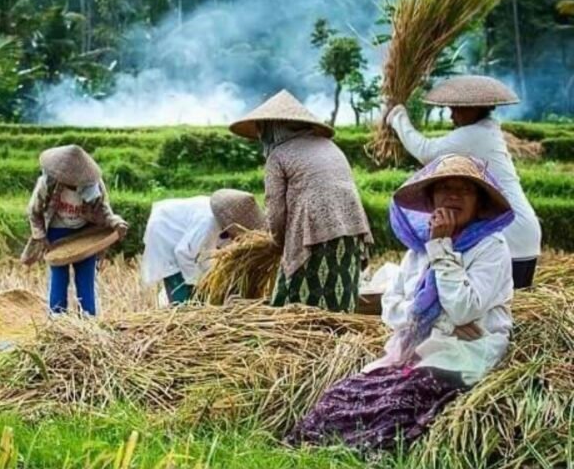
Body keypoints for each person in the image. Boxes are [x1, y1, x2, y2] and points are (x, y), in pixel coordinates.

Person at [289, 154, 515, 451]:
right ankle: (319, 451)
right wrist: (438, 322)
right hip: (410, 351)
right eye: (445, 188)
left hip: (464, 354)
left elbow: (464, 309)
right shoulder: (418, 250)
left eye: (466, 190)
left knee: (397, 405)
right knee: (340, 397)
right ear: (432, 198)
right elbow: (392, 305)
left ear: (480, 203)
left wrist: (441, 247)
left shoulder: (490, 248)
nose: (454, 196)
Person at [386, 75, 541, 288]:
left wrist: (397, 118)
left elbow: (425, 151)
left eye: (456, 109)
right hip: (521, 231)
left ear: (474, 109)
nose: (452, 116)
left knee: (497, 308)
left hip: (510, 233)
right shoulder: (485, 131)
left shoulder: (475, 134)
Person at [229, 89, 373, 312]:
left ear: (271, 127)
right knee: (339, 303)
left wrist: (275, 244)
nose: (260, 135)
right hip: (352, 229)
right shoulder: (329, 146)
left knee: (294, 306)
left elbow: (275, 210)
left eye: (262, 129)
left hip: (313, 233)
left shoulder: (279, 155)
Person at [20, 145, 128, 316]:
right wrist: (40, 237)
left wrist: (116, 222)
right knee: (59, 278)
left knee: (86, 278)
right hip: (56, 231)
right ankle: (57, 319)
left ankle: (88, 320)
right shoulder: (47, 183)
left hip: (85, 232)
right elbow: (34, 212)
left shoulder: (93, 186)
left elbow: (104, 210)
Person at [141, 189, 265, 304]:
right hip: (165, 230)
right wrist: (198, 283)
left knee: (199, 276)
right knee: (179, 284)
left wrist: (210, 277)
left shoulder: (223, 224)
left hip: (186, 234)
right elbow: (183, 253)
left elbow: (208, 254)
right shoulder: (207, 224)